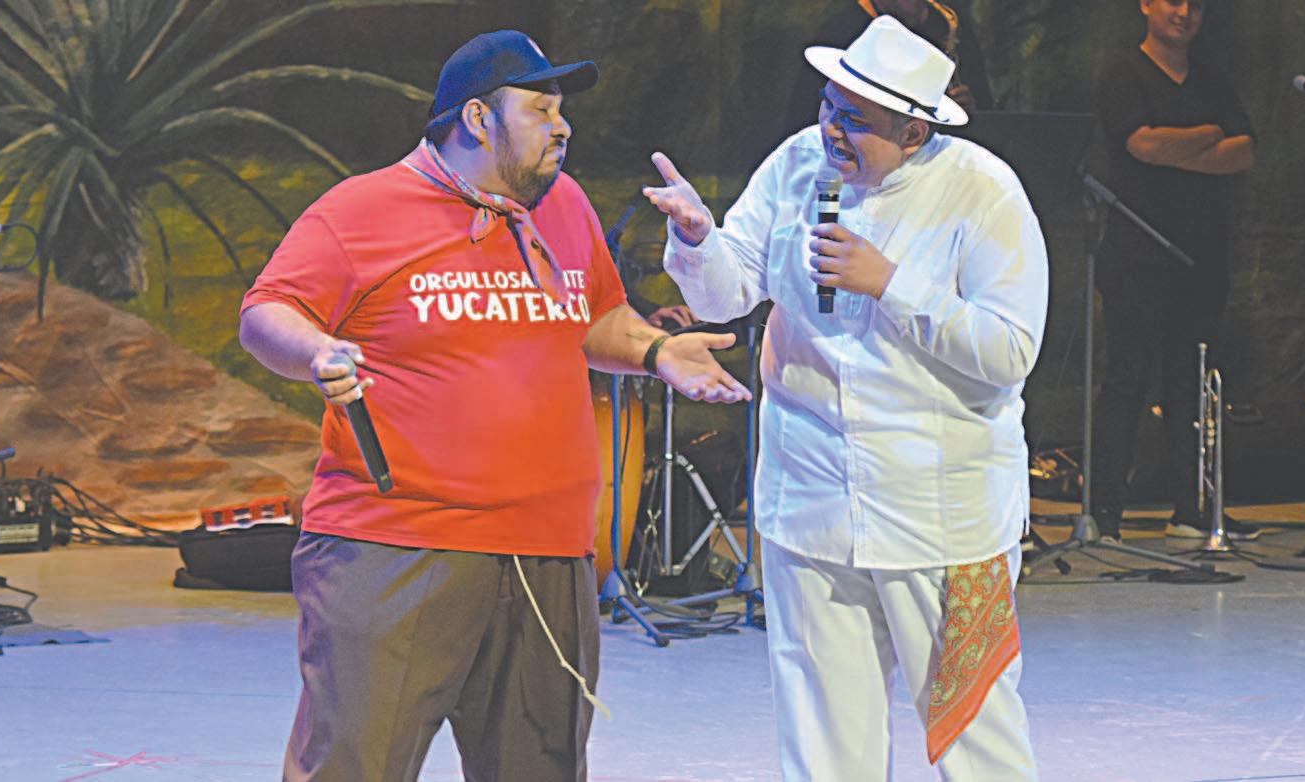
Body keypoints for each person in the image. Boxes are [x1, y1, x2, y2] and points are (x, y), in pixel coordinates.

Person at [238, 29, 749, 782]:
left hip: (547, 551)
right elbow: (266, 312)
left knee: (538, 767)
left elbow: (594, 317)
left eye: (561, 110)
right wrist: (315, 352)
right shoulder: (363, 209)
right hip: (398, 546)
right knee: (355, 766)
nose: (562, 126)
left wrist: (656, 351)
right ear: (477, 119)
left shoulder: (562, 205)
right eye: (541, 109)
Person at [646, 16, 1041, 780]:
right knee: (824, 737)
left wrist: (891, 284)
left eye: (855, 120)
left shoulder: (982, 191)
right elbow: (727, 296)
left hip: (938, 514)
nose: (830, 129)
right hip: (811, 500)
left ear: (914, 131)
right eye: (828, 106)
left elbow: (1008, 353)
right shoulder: (796, 164)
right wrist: (698, 242)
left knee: (973, 731)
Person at [1087, 0, 1261, 541]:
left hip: (1201, 255)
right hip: (1137, 253)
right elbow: (1142, 144)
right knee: (1128, 379)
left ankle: (1191, 508)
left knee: (1191, 383)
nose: (1184, 13)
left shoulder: (1213, 77)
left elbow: (1244, 151)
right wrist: (1207, 133)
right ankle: (1105, 510)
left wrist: (1178, 146)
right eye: (1173, 2)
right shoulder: (1123, 73)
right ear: (1146, 5)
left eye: (1195, 5)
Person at [779, 0, 995, 143]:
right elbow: (802, 118)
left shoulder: (948, 22)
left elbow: (988, 110)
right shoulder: (840, 30)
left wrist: (970, 108)